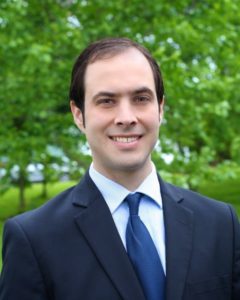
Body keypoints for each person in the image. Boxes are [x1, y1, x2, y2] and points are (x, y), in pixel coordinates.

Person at [0, 37, 239, 300]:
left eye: (140, 98)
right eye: (106, 101)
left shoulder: (221, 224)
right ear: (79, 115)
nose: (126, 118)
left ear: (160, 108)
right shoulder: (34, 239)